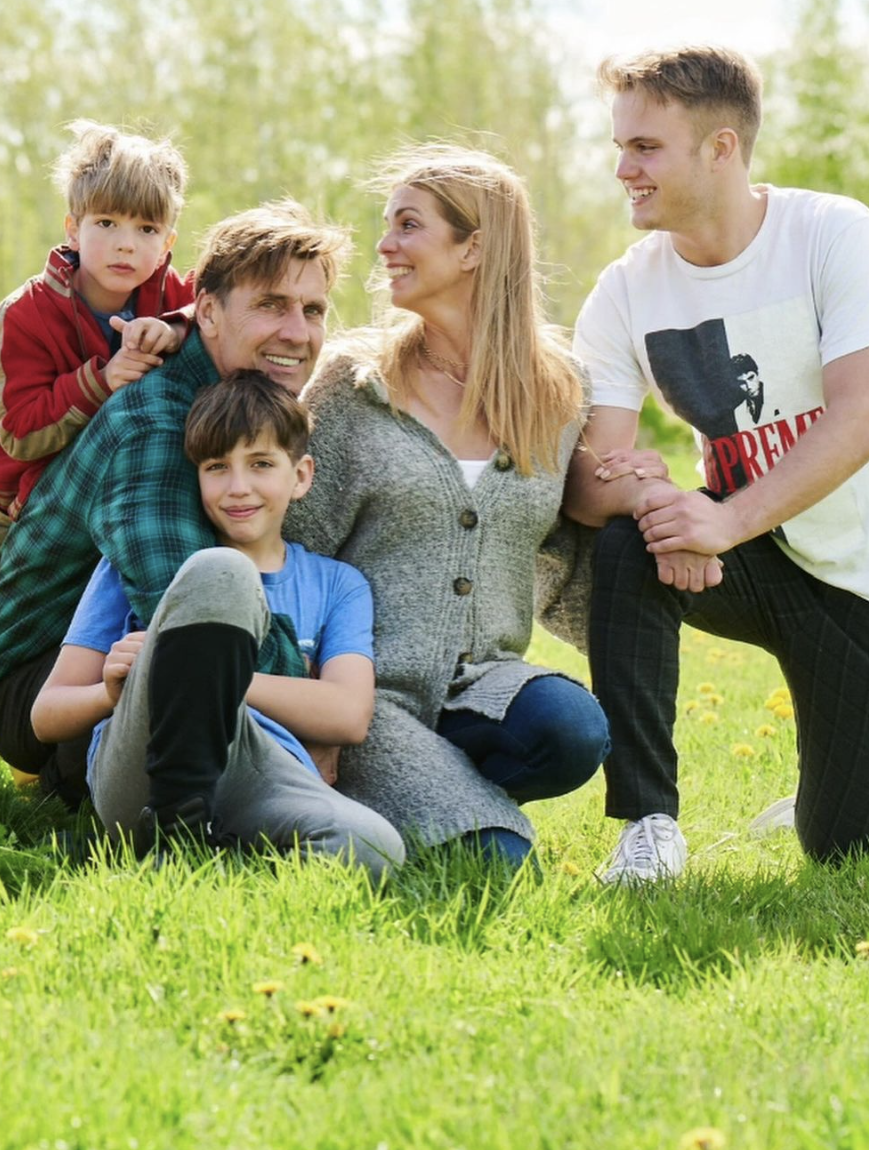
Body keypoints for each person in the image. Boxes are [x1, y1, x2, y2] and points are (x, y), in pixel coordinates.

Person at [564, 45, 869, 881]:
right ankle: (647, 825)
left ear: (721, 149)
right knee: (629, 544)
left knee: (844, 845)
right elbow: (594, 475)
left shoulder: (832, 234)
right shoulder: (628, 290)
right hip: (757, 561)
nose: (623, 169)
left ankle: (834, 789)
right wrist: (657, 506)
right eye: (620, 148)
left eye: (645, 148)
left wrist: (726, 517)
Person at [285, 144, 611, 866]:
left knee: (574, 730)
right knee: (497, 862)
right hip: (366, 697)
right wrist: (313, 716)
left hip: (484, 687)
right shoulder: (354, 382)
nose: (385, 245)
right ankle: (429, 798)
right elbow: (292, 549)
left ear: (474, 248)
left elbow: (559, 542)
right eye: (388, 223)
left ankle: (435, 792)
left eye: (408, 225)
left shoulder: (558, 394)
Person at [0, 199, 351, 808]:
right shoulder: (155, 422)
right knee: (173, 668)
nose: (297, 332)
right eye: (271, 304)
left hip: (125, 645)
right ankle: (116, 803)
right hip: (40, 679)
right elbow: (187, 608)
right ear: (208, 312)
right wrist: (312, 712)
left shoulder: (243, 405)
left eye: (312, 310)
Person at [30, 371, 404, 876]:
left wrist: (192, 670)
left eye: (261, 464)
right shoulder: (140, 565)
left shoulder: (338, 584)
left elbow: (346, 714)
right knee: (221, 571)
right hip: (143, 770)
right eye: (216, 467)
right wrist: (111, 693)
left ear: (301, 475)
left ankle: (208, 863)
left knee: (377, 846)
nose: (238, 487)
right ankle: (173, 833)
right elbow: (46, 714)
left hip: (264, 768)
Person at [0, 120, 193, 548]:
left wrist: (176, 326)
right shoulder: (27, 314)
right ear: (73, 227)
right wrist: (101, 381)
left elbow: (218, 307)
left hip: (126, 485)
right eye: (106, 223)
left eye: (147, 229)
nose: (126, 244)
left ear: (167, 241)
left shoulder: (169, 290)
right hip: (20, 509)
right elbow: (19, 435)